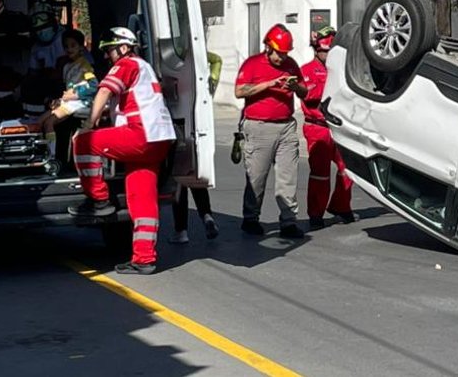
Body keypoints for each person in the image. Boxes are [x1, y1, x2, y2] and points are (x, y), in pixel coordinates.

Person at [68, 27, 175, 275]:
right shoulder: (145, 68)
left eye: (110, 50)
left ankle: (99, 200)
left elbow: (104, 91)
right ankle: (144, 259)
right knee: (142, 198)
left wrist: (88, 124)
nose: (107, 56)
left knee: (83, 142)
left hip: (141, 135)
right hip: (159, 139)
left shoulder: (127, 64)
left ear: (124, 48)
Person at [234, 24, 307, 239]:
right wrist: (270, 84)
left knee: (288, 177)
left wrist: (295, 88)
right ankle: (251, 218)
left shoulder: (291, 65)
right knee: (256, 178)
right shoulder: (252, 64)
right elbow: (240, 91)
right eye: (279, 54)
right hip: (259, 127)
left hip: (286, 126)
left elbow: (304, 91)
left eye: (285, 53)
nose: (282, 58)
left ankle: (288, 221)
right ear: (268, 47)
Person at [299, 27, 354, 228]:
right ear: (316, 50)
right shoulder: (306, 70)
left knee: (347, 169)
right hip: (318, 128)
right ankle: (316, 214)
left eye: (331, 51)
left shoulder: (341, 70)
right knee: (320, 173)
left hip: (340, 127)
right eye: (324, 51)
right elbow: (309, 95)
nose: (328, 55)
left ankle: (341, 205)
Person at [169, 50, 224, 244]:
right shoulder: (200, 70)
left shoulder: (171, 65)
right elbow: (217, 59)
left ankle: (181, 231)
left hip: (176, 123)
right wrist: (213, 78)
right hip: (197, 124)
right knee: (195, 178)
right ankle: (206, 215)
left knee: (179, 182)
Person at [35, 29, 97, 173]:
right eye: (66, 46)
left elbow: (93, 85)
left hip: (79, 102)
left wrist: (76, 94)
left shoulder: (85, 66)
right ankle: (42, 154)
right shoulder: (67, 66)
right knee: (40, 121)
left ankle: (51, 158)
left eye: (73, 45)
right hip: (67, 101)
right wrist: (58, 99)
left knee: (49, 122)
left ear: (81, 47)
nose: (69, 49)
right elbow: (66, 87)